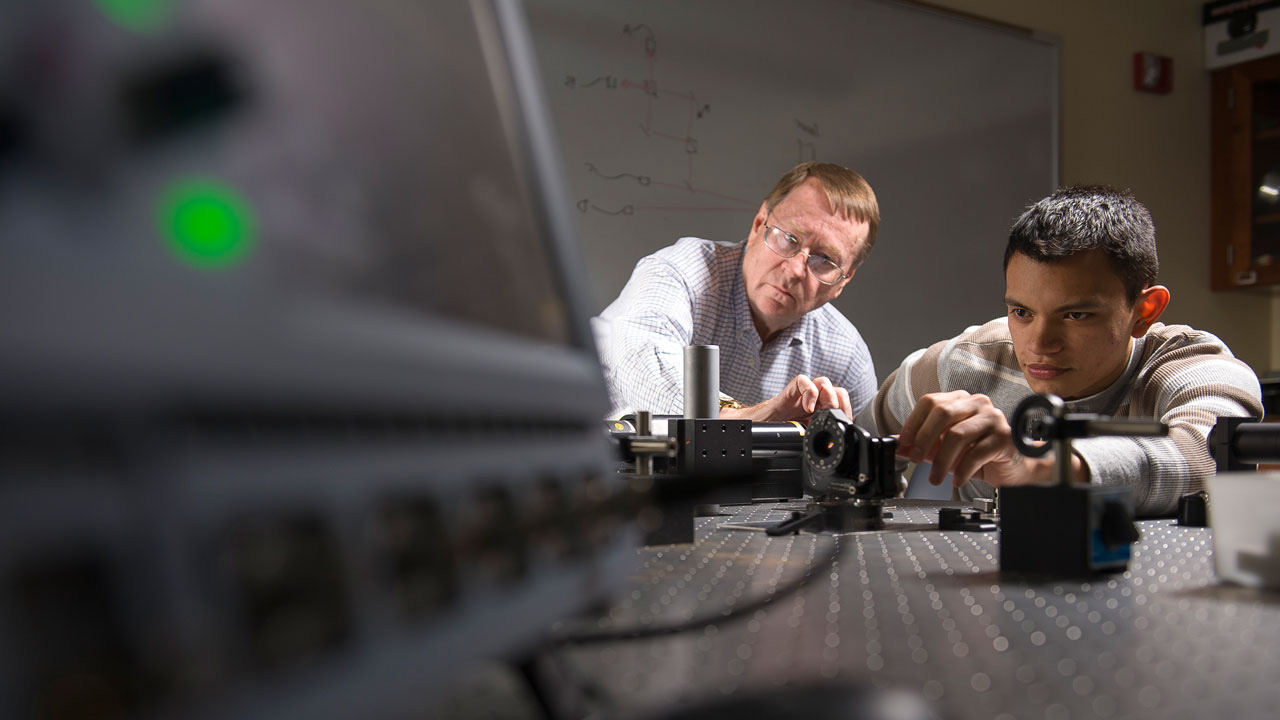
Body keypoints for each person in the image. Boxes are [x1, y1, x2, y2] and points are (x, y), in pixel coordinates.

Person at [870, 185, 1263, 517]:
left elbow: (1209, 455)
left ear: (1145, 311)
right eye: (1021, 312)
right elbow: (856, 449)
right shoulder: (970, 362)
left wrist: (1042, 467)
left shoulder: (1191, 365)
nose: (1039, 344)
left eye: (1076, 315)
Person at [594, 162, 880, 422]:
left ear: (843, 281)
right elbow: (639, 364)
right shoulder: (679, 271)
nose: (795, 270)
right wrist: (747, 419)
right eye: (788, 238)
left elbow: (871, 467)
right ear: (758, 225)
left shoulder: (847, 357)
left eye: (825, 260)